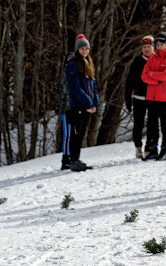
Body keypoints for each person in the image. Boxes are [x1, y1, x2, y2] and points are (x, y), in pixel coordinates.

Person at [61, 34, 100, 172]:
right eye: (82, 48)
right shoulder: (73, 64)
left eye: (86, 49)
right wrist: (88, 102)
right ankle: (72, 159)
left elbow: (92, 85)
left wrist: (95, 102)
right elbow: (75, 87)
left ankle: (76, 158)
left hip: (87, 106)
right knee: (75, 134)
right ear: (78, 49)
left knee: (81, 133)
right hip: (77, 105)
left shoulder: (88, 63)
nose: (85, 51)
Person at [141, 33, 166, 161]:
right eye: (157, 44)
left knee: (164, 124)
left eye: (161, 44)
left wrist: (152, 75)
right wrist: (155, 79)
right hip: (151, 96)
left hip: (164, 96)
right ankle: (153, 149)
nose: (159, 46)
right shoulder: (152, 58)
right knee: (152, 125)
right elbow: (144, 75)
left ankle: (164, 149)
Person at [125, 35, 155, 159]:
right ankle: (138, 147)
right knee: (138, 124)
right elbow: (129, 82)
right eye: (144, 47)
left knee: (152, 124)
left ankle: (150, 147)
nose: (147, 49)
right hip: (139, 98)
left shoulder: (157, 60)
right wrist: (128, 99)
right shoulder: (137, 62)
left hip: (154, 98)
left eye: (149, 47)